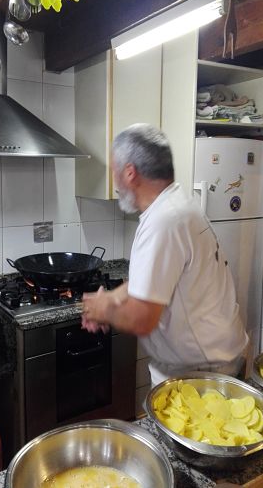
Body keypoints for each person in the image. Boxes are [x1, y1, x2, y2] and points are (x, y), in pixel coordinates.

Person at [82, 124, 249, 386]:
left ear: (130, 173)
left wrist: (103, 311)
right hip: (214, 364)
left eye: (114, 170)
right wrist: (113, 298)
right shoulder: (178, 205)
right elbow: (155, 282)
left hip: (202, 378)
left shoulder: (163, 221)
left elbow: (142, 320)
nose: (114, 182)